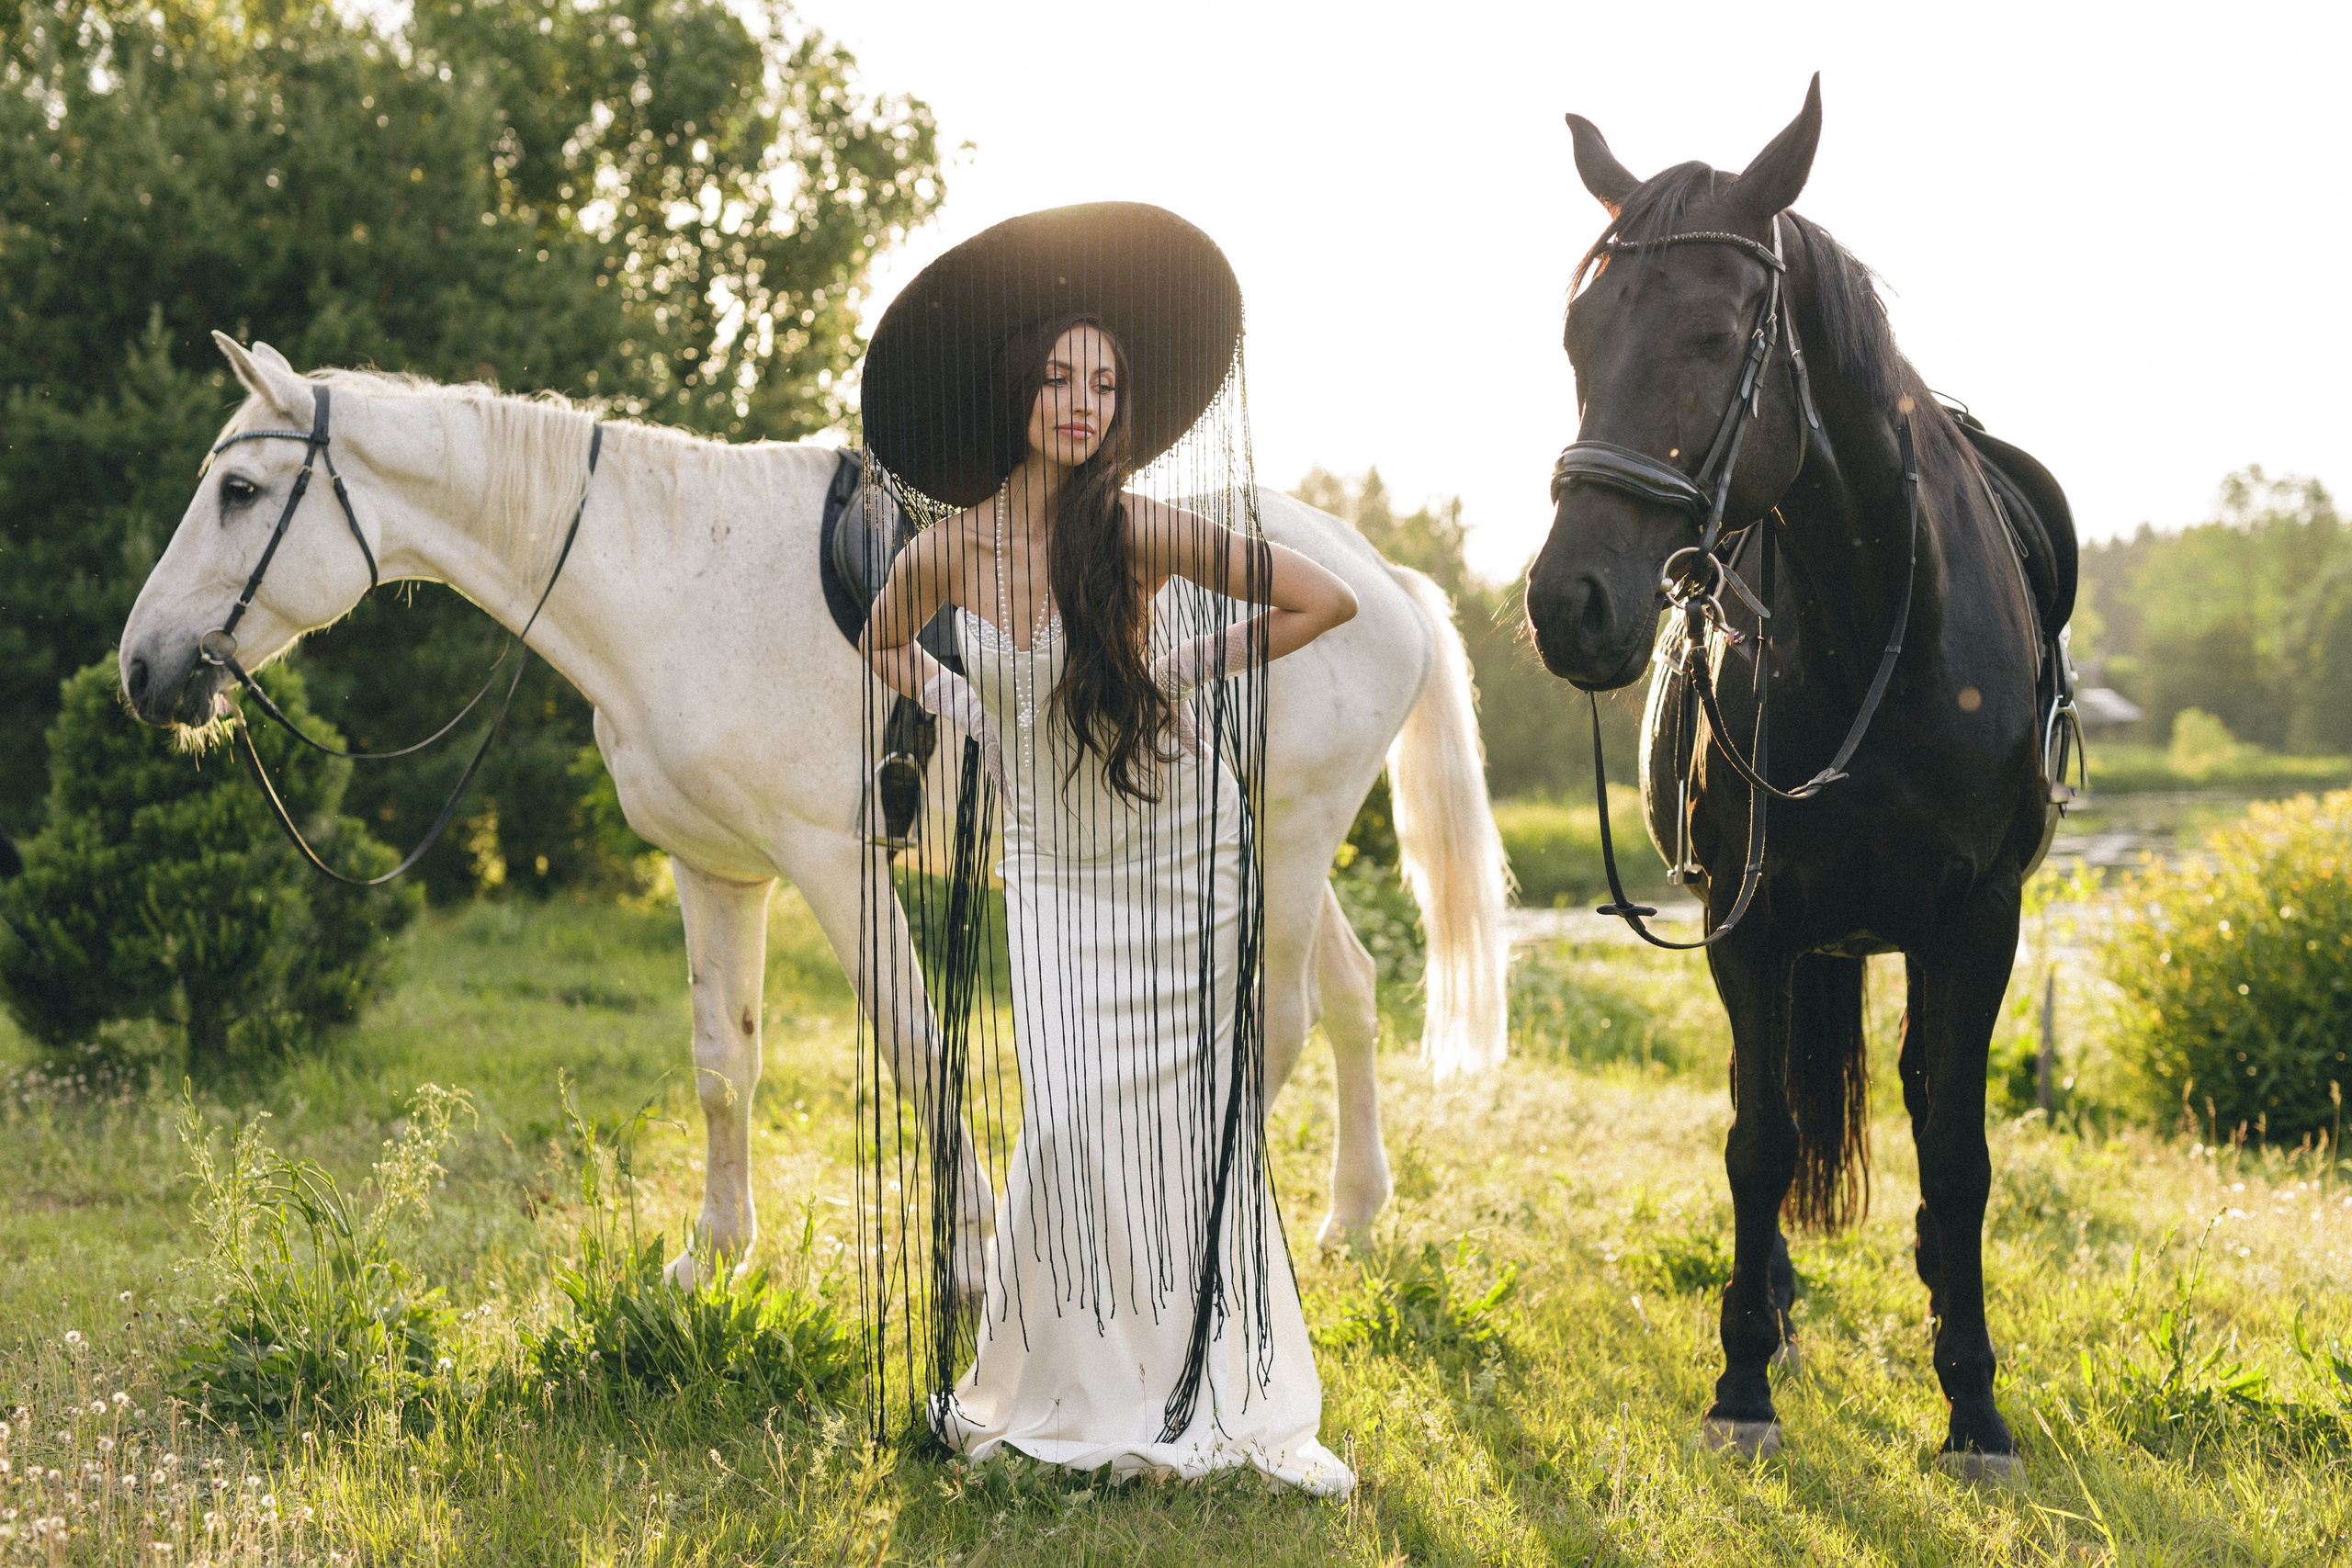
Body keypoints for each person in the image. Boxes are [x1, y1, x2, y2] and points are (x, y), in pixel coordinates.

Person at [858, 204, 1359, 1495]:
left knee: (1173, 1132)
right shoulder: (949, 549)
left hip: (1168, 855)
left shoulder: (1131, 529)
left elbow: (1322, 596)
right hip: (1058, 878)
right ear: (1020, 390)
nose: (1082, 405)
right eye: (1061, 379)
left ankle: (1182, 1386)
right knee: (1074, 1121)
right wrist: (969, 709)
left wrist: (1190, 658)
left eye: (1105, 385)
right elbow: (879, 644)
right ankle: (1066, 1376)